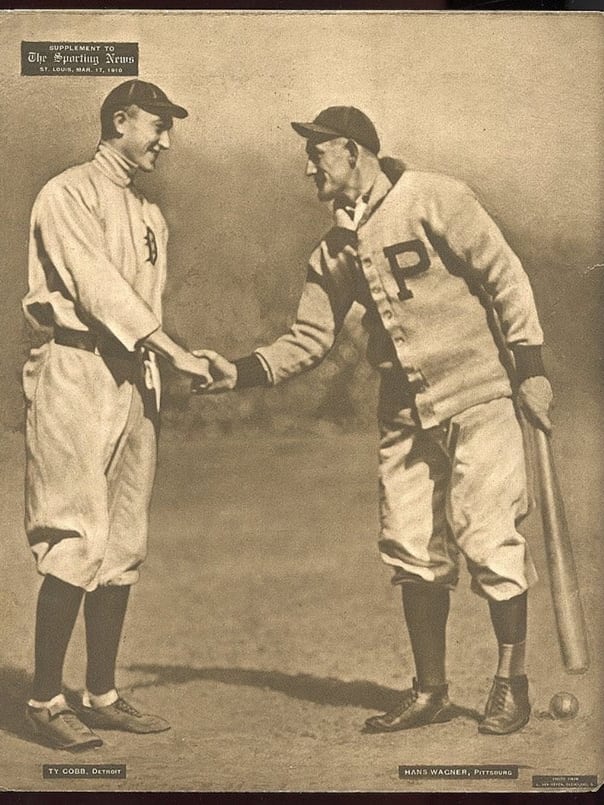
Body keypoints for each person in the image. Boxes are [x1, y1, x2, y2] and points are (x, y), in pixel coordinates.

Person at [193, 106, 553, 736]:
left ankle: (509, 682)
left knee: (489, 536)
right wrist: (239, 372)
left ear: (354, 151)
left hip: (478, 394)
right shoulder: (333, 249)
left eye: (318, 153)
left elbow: (504, 276)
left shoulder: (435, 196)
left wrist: (531, 366)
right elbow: (308, 338)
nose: (309, 168)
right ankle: (429, 691)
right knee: (410, 545)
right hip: (405, 411)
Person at [22, 79, 212, 751]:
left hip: (134, 378)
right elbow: (96, 288)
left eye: (169, 127)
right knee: (76, 533)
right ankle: (45, 698)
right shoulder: (66, 191)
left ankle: (99, 693)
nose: (166, 139)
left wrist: (170, 363)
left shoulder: (151, 214)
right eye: (157, 124)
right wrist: (171, 349)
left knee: (124, 541)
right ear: (119, 119)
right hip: (75, 370)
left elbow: (143, 307)